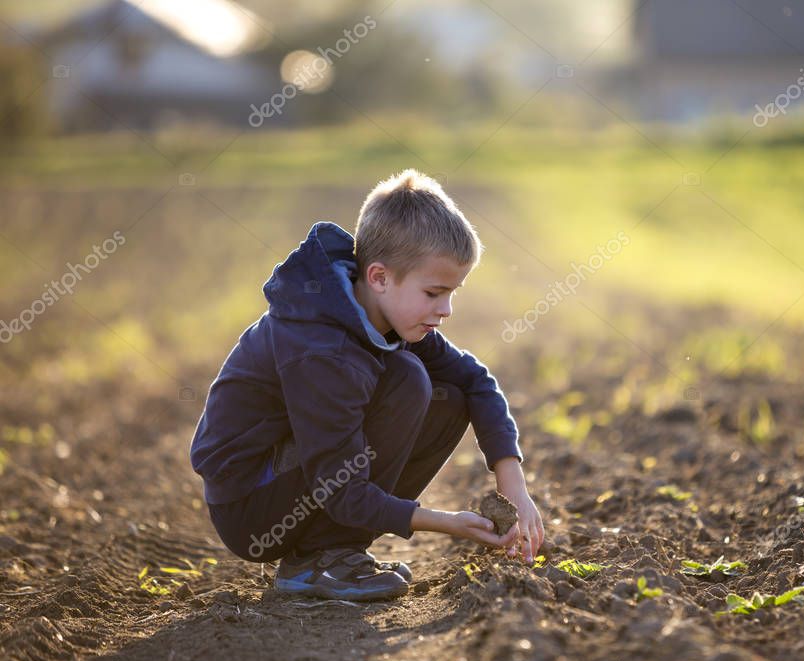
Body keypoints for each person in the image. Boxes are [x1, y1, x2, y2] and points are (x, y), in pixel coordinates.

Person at [189, 169, 544, 601]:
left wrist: (512, 483)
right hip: (252, 505)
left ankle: (335, 550)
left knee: (450, 395)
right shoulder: (321, 348)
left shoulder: (382, 312)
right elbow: (339, 486)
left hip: (300, 473)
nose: (446, 309)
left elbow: (476, 380)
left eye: (453, 292)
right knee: (410, 379)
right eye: (433, 293)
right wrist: (443, 521)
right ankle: (318, 559)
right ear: (378, 277)